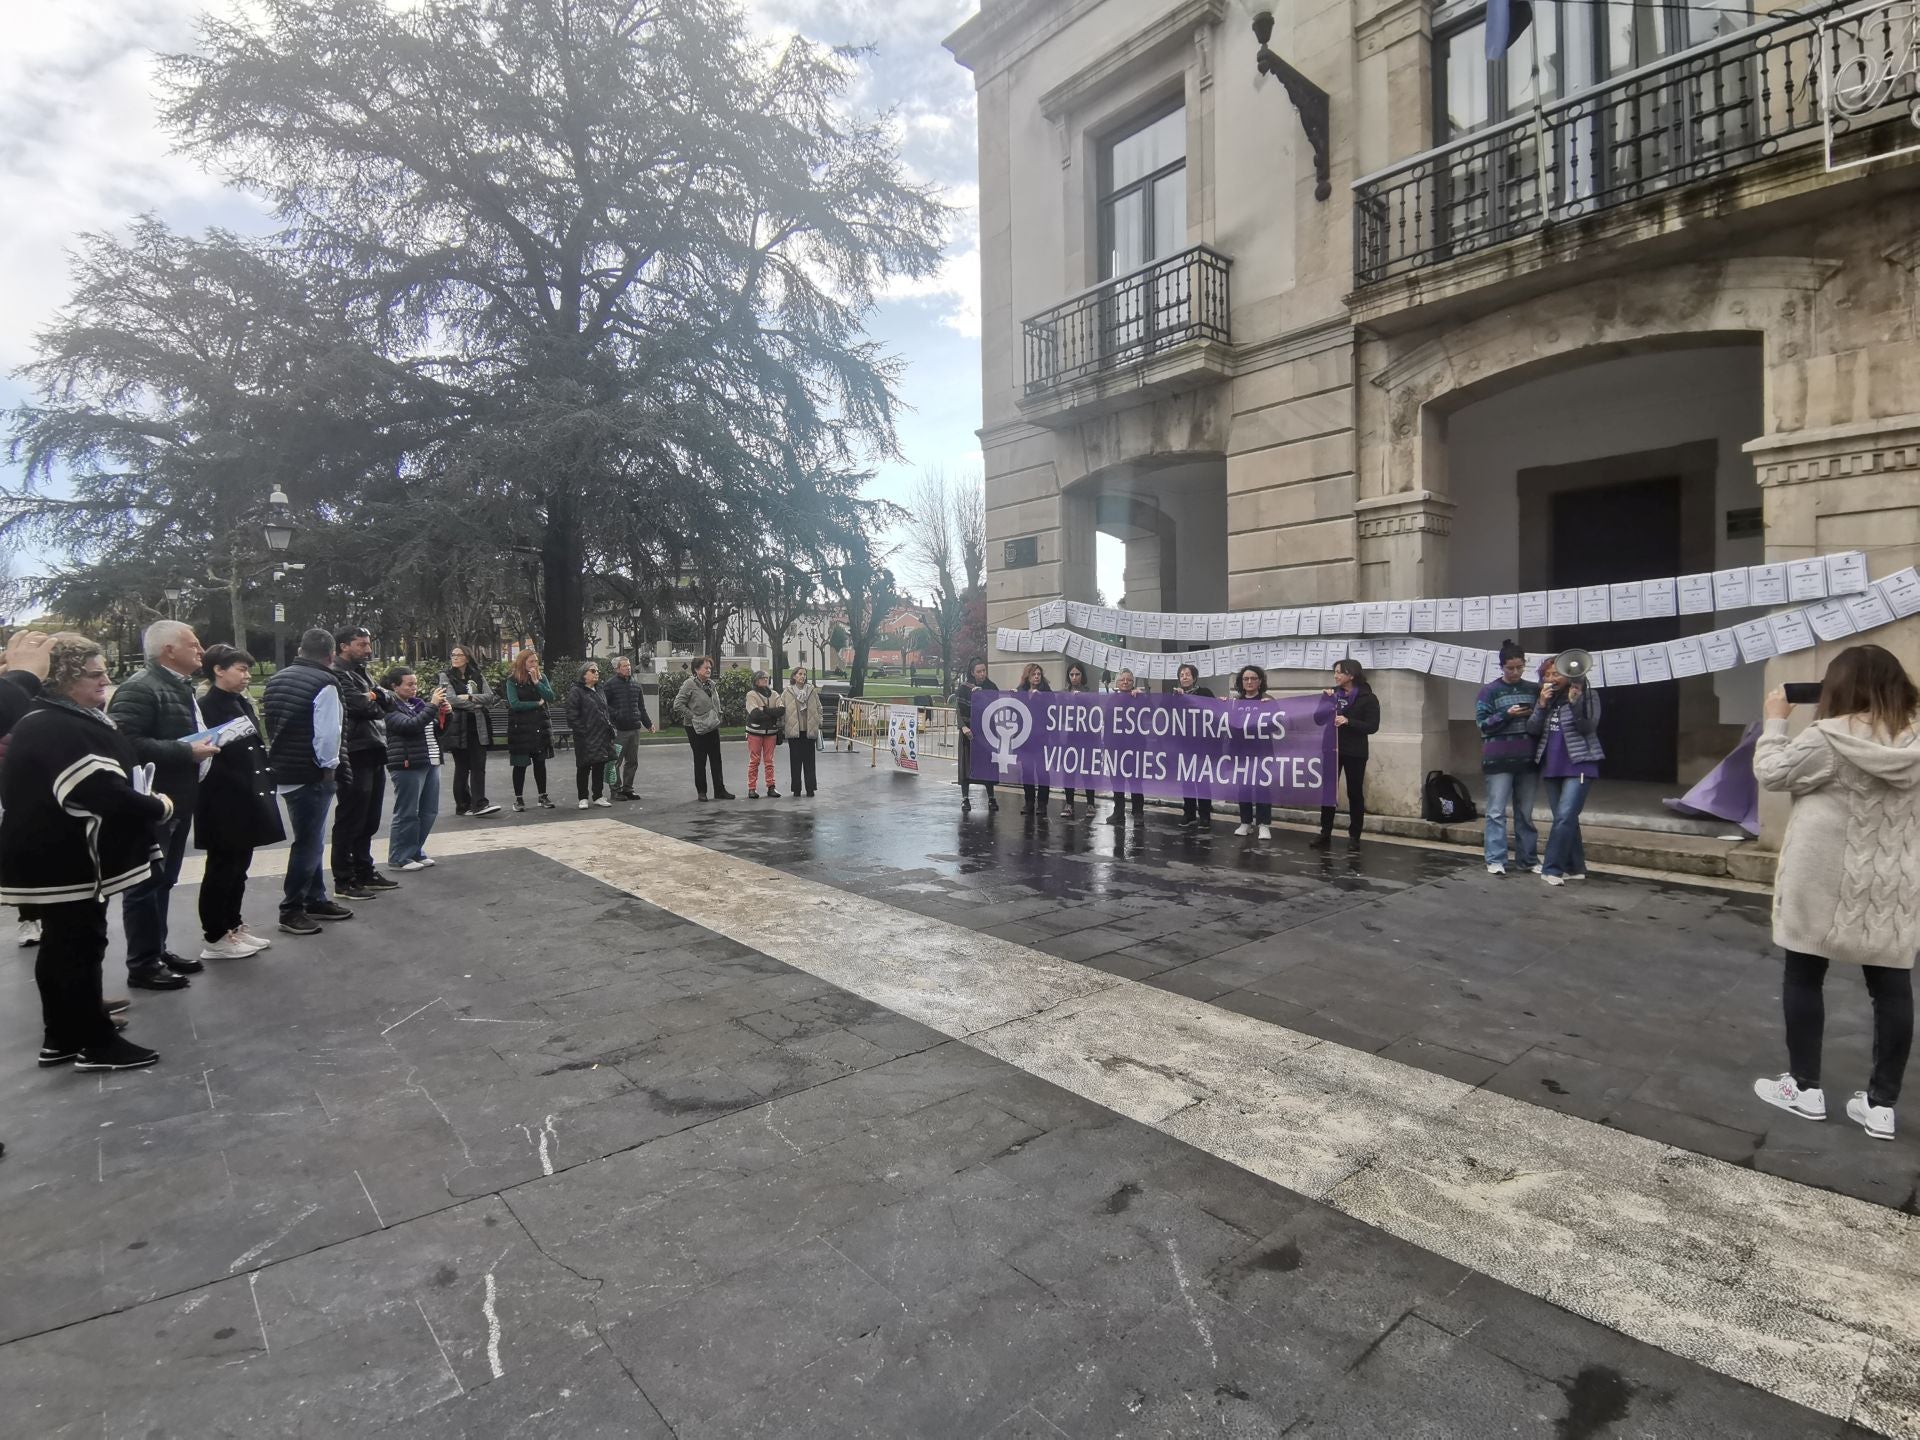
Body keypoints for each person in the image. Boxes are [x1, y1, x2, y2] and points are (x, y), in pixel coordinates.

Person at [1751, 645, 1920, 1142]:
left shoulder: (1828, 738)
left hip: (1820, 875)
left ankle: (1806, 1089)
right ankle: (1881, 1105)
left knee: (1804, 976)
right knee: (1892, 990)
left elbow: (1772, 773)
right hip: (1893, 878)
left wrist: (1775, 722)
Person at [2, 635, 175, 1071]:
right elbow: (99, 790)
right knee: (79, 946)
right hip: (64, 857)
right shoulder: (55, 723)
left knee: (64, 945)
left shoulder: (55, 717)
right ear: (61, 679)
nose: (105, 681)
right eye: (94, 674)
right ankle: (95, 1043)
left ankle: (62, 1034)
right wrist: (159, 806)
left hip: (54, 854)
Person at [107, 619, 220, 990]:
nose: (201, 651)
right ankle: (142, 962)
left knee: (164, 880)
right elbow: (125, 743)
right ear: (168, 650)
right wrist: (185, 751)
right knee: (146, 883)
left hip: (178, 798)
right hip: (154, 801)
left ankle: (157, 949)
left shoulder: (174, 686)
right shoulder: (141, 688)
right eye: (194, 644)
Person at [194, 646, 283, 959]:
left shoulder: (238, 701)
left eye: (247, 670)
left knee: (239, 867)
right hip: (222, 799)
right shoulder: (206, 706)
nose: (247, 676)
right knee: (221, 867)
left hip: (247, 794)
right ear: (218, 670)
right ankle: (216, 936)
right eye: (240, 670)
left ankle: (233, 924)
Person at [264, 628, 354, 936]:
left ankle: (316, 898)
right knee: (308, 842)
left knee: (310, 837)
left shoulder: (278, 678)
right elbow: (328, 734)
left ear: (300, 650)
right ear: (331, 656)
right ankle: (292, 908)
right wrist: (329, 768)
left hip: (285, 768)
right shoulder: (326, 682)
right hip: (311, 771)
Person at [331, 627, 399, 901]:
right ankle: (344, 879)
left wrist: (375, 697)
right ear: (343, 646)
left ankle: (364, 869)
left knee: (370, 817)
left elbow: (387, 701)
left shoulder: (361, 672)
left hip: (372, 747)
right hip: (353, 750)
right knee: (351, 816)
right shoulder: (337, 672)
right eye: (361, 644)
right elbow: (359, 705)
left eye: (368, 644)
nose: (368, 649)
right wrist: (373, 699)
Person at [1528, 657, 1604, 885]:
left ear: (1568, 675)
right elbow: (1532, 728)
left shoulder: (1588, 695)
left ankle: (1551, 869)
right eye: (1546, 675)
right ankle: (1576, 866)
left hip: (1579, 764)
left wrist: (1575, 703)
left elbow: (1588, 727)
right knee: (1567, 819)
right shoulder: (1545, 699)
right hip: (1552, 766)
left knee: (1564, 818)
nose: (1550, 679)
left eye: (1555, 674)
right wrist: (1541, 706)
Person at [0, 629, 54, 949]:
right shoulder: (18, 692)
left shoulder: (45, 698)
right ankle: (29, 917)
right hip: (12, 779)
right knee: (23, 845)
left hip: (44, 779)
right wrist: (21, 678)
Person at [1477, 641, 1542, 877]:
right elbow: (1483, 724)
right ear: (1501, 667)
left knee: (1525, 812)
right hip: (1498, 760)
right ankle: (1495, 858)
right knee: (1496, 812)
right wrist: (1506, 713)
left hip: (1527, 759)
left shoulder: (1534, 689)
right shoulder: (1489, 691)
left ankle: (1528, 859)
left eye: (1519, 667)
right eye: (1510, 668)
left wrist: (1540, 707)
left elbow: (1540, 722)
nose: (1515, 673)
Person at [384, 666, 450, 867]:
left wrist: (446, 713)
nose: (414, 688)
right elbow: (409, 726)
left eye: (415, 683)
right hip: (407, 763)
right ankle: (399, 857)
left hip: (430, 760)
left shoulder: (417, 704)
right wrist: (432, 706)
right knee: (407, 812)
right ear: (395, 686)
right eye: (409, 684)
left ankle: (414, 851)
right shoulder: (389, 706)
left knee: (429, 811)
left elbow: (436, 730)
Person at [1316, 658, 1379, 852]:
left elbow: (1372, 726)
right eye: (1334, 672)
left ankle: (1354, 835)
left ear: (1351, 675)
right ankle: (1325, 832)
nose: (1335, 676)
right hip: (1332, 749)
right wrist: (1325, 701)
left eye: (1339, 672)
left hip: (1355, 751)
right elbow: (1318, 719)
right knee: (1328, 793)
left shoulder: (1368, 698)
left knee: (1354, 792)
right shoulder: (1332, 695)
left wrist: (1348, 721)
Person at [437, 646, 500, 817]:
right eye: (453, 655)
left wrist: (470, 697)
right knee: (462, 767)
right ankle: (462, 805)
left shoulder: (477, 675)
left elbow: (490, 696)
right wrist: (476, 705)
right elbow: (450, 699)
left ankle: (479, 803)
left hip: (478, 725)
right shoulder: (446, 676)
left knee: (479, 765)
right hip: (458, 726)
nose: (455, 657)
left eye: (459, 655)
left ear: (467, 657)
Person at [674, 656, 734, 800]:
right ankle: (702, 792)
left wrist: (719, 714)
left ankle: (720, 791)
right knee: (700, 759)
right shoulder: (689, 684)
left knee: (716, 759)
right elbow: (678, 704)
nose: (708, 670)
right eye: (705, 667)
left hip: (712, 725)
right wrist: (693, 716)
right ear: (696, 669)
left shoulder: (711, 684)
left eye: (709, 667)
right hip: (695, 728)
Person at [505, 650, 557, 810]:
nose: (535, 664)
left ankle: (543, 796)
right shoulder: (512, 681)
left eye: (536, 661)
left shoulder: (542, 678)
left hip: (539, 726)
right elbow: (515, 704)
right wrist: (536, 704)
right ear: (522, 663)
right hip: (520, 728)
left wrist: (536, 682)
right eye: (531, 662)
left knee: (540, 762)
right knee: (520, 764)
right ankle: (518, 799)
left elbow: (550, 697)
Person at [1232, 665, 1275, 840]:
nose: (1249, 682)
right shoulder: (1235, 702)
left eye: (1253, 678)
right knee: (1244, 788)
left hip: (1263, 751)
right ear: (1241, 682)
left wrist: (1271, 709)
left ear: (1260, 681)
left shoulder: (1268, 700)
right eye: (1245, 679)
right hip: (1241, 752)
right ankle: (1246, 822)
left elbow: (1279, 723)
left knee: (1262, 787)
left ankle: (1263, 824)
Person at [605, 656, 656, 801]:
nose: (628, 668)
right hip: (618, 729)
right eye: (624, 666)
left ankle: (628, 789)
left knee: (632, 761)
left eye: (628, 665)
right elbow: (604, 705)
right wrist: (616, 715)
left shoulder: (635, 684)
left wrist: (648, 724)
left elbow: (641, 707)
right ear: (616, 669)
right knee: (614, 761)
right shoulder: (610, 685)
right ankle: (615, 790)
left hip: (634, 728)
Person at [567, 661, 617, 808]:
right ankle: (582, 797)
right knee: (583, 766)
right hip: (585, 736)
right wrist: (583, 730)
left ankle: (598, 795)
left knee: (599, 765)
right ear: (584, 674)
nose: (596, 673)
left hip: (601, 735)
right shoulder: (576, 691)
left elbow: (604, 710)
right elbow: (572, 715)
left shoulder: (599, 689)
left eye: (597, 671)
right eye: (592, 671)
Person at [954, 658, 998, 813]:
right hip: (969, 732)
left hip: (986, 732)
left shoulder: (991, 687)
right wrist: (963, 727)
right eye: (979, 671)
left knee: (987, 766)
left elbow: (997, 706)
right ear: (972, 672)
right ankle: (965, 799)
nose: (982, 674)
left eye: (984, 670)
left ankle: (991, 798)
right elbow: (958, 710)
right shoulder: (964, 689)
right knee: (966, 766)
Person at [1174, 663, 1215, 831]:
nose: (1184, 677)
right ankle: (1189, 813)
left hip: (1202, 745)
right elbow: (1163, 711)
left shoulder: (1204, 693)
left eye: (1188, 674)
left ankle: (1205, 815)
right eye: (1182, 674)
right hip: (1183, 745)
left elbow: (1216, 710)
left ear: (1194, 677)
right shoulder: (1175, 695)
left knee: (1202, 780)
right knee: (1187, 780)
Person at [1107, 669, 1146, 827]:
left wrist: (1141, 698)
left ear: (1133, 682)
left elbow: (1151, 711)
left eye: (1129, 680)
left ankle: (1138, 813)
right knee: (1117, 782)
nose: (1125, 682)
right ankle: (1118, 812)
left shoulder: (1138, 698)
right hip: (1115, 747)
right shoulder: (1112, 699)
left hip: (1135, 747)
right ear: (1117, 682)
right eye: (1122, 680)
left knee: (1135, 781)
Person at [1060, 662, 1097, 818]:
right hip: (1070, 738)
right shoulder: (1064, 693)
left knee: (1087, 771)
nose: (1074, 677)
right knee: (1069, 771)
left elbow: (1094, 713)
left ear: (1082, 676)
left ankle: (1090, 804)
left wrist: (1082, 699)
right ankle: (1069, 804)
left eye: (1077, 674)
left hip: (1086, 739)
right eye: (1071, 675)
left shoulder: (1089, 693)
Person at [782, 665, 824, 798]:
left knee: (809, 762)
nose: (802, 676)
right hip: (794, 732)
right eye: (800, 674)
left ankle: (810, 788)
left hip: (809, 731)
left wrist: (819, 721)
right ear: (794, 676)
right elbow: (782, 709)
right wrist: (783, 724)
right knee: (795, 761)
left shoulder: (811, 690)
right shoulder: (787, 692)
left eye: (804, 674)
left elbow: (819, 707)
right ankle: (796, 789)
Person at [1016, 662, 1051, 821]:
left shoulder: (1046, 692)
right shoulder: (1021, 691)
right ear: (1028, 676)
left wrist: (1041, 698)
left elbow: (1053, 709)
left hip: (1042, 738)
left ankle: (1042, 803)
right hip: (1025, 739)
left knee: (1042, 772)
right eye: (1033, 674)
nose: (1037, 677)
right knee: (1027, 771)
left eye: (1039, 674)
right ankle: (1029, 802)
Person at [743, 670, 785, 799]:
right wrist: (771, 713)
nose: (765, 680)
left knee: (769, 761)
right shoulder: (751, 695)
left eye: (767, 678)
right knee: (754, 761)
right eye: (762, 678)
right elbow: (754, 714)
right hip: (755, 732)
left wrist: (765, 710)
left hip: (771, 733)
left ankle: (771, 787)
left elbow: (781, 710)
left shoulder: (774, 694)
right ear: (756, 681)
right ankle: (752, 788)